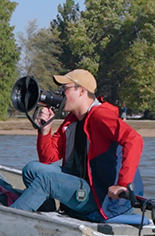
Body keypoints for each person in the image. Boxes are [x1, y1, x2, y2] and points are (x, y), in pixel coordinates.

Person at [10, 68, 143, 221]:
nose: (60, 94)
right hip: (85, 184)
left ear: (81, 91)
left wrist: (123, 184)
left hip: (105, 199)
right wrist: (44, 130)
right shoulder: (72, 120)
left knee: (48, 180)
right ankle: (44, 213)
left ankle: (7, 221)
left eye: (64, 89)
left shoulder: (100, 115)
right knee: (32, 170)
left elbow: (134, 140)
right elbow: (47, 158)